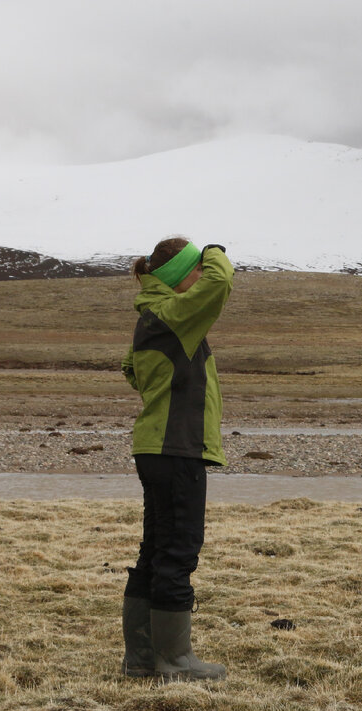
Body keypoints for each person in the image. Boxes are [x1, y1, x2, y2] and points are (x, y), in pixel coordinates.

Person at [119, 236, 233, 681]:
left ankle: (142, 658)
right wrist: (214, 249)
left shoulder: (152, 316)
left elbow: (130, 368)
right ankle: (176, 660)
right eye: (196, 271)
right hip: (176, 448)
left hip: (155, 448)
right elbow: (221, 282)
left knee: (155, 549)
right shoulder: (174, 314)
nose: (203, 276)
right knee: (178, 551)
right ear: (181, 277)